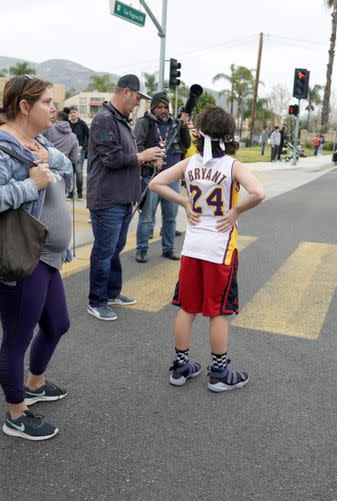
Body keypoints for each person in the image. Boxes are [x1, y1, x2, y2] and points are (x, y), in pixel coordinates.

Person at [0, 75, 74, 442]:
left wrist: (52, 164)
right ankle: (16, 413)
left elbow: (70, 172)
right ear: (24, 107)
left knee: (58, 324)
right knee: (17, 336)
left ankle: (35, 383)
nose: (54, 108)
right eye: (47, 102)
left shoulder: (40, 141)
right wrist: (30, 186)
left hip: (47, 258)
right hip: (20, 259)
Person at [149, 106, 265, 392]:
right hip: (220, 250)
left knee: (187, 308)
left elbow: (156, 183)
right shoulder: (233, 166)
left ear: (198, 133)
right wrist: (236, 211)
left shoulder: (189, 164)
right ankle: (219, 373)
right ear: (227, 134)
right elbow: (259, 193)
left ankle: (180, 367)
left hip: (192, 247)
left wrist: (185, 203)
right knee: (218, 312)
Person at [85, 74, 164, 321]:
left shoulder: (119, 119)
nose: (138, 103)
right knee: (104, 251)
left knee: (115, 248)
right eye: (138, 97)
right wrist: (141, 157)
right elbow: (112, 158)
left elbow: (126, 155)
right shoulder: (104, 120)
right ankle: (96, 301)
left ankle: (111, 293)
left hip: (122, 198)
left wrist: (147, 157)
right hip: (107, 199)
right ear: (126, 92)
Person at [134, 91, 190, 263]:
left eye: (166, 107)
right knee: (147, 217)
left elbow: (186, 144)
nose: (163, 110)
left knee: (170, 216)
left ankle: (168, 248)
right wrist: (151, 161)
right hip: (152, 177)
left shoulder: (176, 123)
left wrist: (185, 126)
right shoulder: (144, 122)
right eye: (159, 107)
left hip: (172, 177)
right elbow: (138, 146)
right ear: (153, 107)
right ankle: (142, 249)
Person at [43, 110, 79, 196]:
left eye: (54, 117)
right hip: (61, 174)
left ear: (59, 118)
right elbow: (74, 159)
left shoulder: (49, 129)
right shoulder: (73, 137)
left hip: (45, 169)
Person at [67, 105, 89, 199]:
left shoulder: (82, 124)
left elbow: (89, 136)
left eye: (74, 112)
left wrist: (83, 146)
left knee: (79, 171)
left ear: (77, 113)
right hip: (69, 152)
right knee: (70, 172)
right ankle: (71, 193)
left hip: (80, 151)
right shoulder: (67, 124)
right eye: (71, 113)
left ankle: (79, 192)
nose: (72, 114)